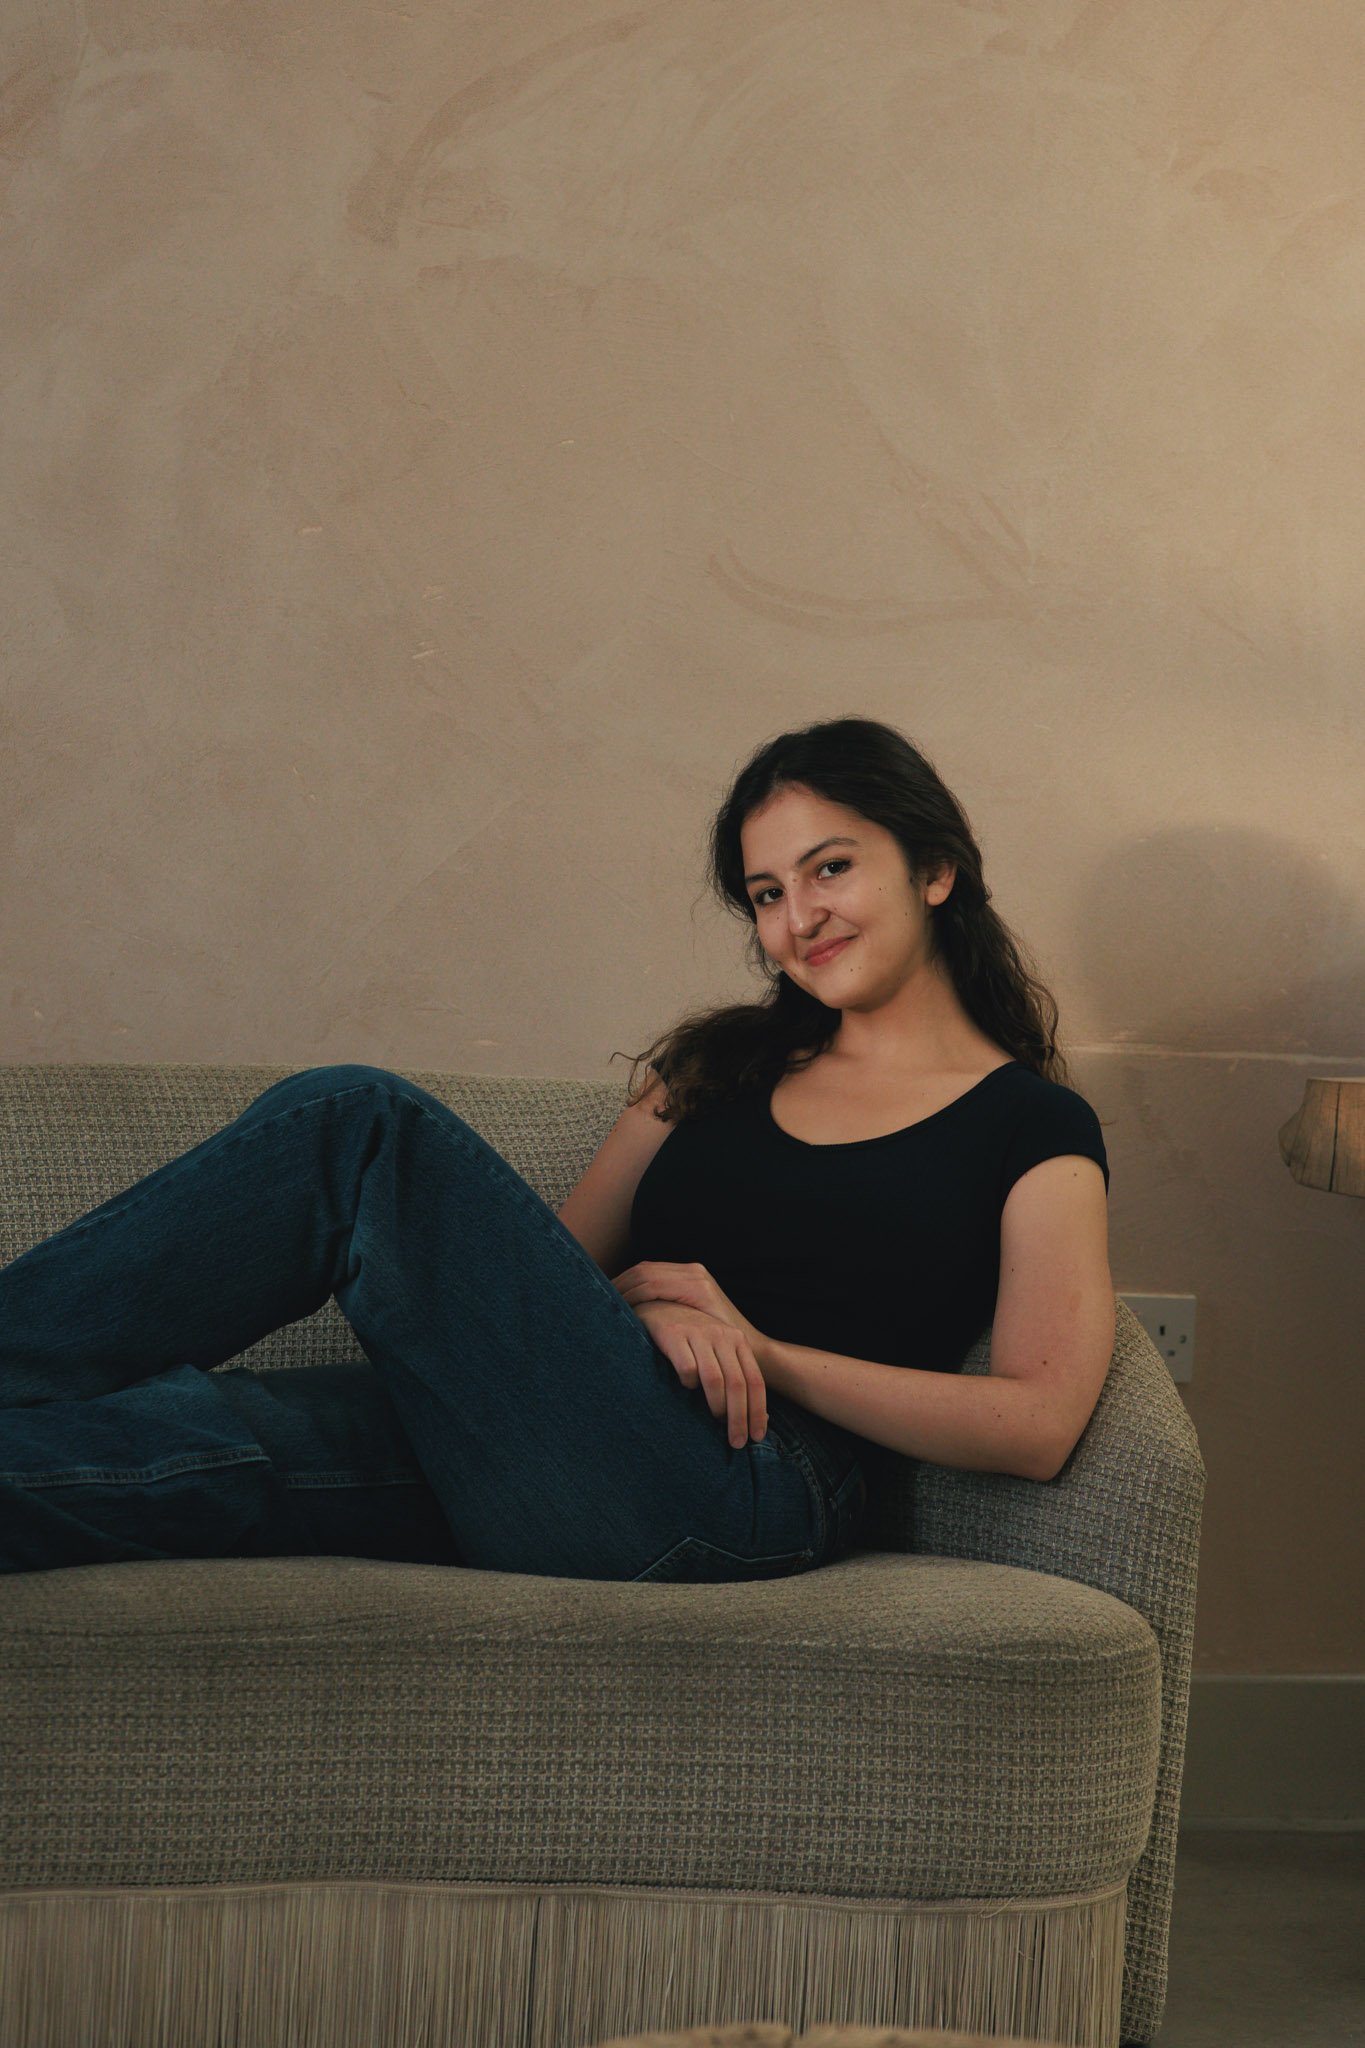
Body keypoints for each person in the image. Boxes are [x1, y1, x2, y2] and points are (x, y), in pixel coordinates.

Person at [0, 714, 1114, 1581]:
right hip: (561, 1454)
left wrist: (759, 1348)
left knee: (358, 1123)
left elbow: (1039, 1418)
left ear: (935, 869)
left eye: (831, 869)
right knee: (194, 1436)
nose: (796, 919)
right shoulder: (711, 1070)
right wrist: (643, 1313)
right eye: (767, 894)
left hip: (743, 1487)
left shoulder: (1029, 1125)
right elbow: (540, 1282)